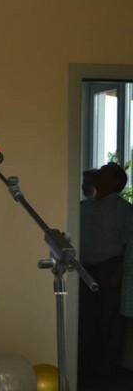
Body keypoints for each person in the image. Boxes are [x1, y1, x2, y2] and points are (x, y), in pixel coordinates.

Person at [79, 162, 133, 378]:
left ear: (114, 181)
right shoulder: (84, 206)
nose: (98, 173)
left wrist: (119, 272)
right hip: (83, 268)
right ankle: (86, 367)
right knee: (86, 317)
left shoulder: (124, 210)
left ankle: (107, 371)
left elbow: (129, 244)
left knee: (108, 320)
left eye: (104, 171)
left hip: (108, 268)